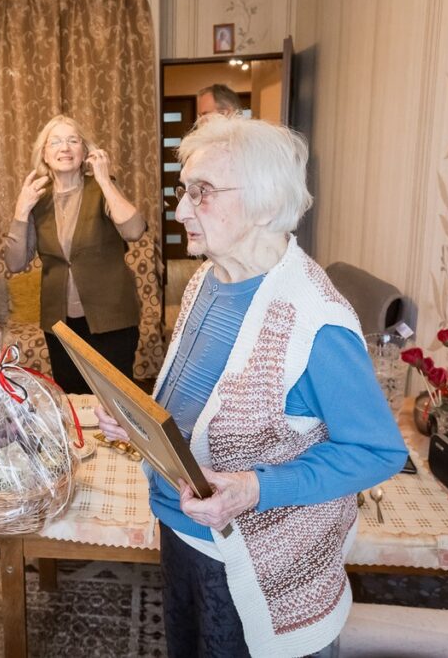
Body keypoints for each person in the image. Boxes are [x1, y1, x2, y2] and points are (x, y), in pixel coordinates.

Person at [96, 114, 408, 657]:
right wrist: (138, 423)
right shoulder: (210, 277)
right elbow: (192, 399)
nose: (181, 210)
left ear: (265, 203)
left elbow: (378, 452)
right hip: (185, 536)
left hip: (265, 569)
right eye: (183, 190)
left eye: (202, 192)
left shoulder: (316, 319)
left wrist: (255, 488)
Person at [5, 115, 145, 393]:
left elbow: (134, 230)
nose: (64, 148)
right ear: (44, 154)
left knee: (117, 401)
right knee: (73, 401)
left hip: (112, 318)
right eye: (55, 141)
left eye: (72, 140)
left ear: (84, 151)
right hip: (61, 324)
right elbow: (15, 262)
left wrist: (105, 181)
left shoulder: (102, 187)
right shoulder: (37, 199)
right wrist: (21, 210)